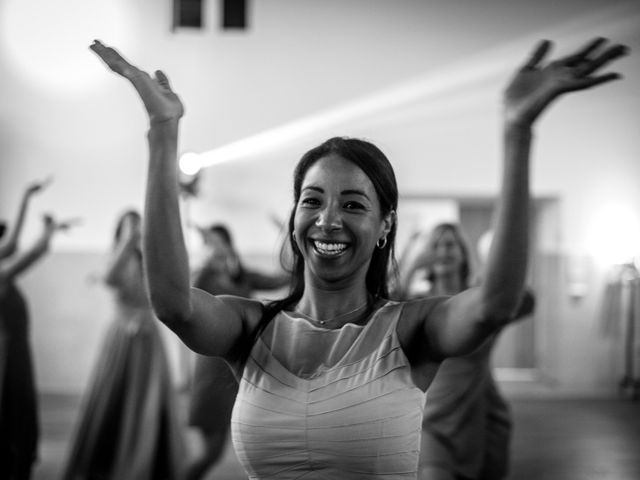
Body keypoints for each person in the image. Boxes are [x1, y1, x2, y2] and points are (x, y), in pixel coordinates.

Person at [90, 36, 628, 479]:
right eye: (313, 200)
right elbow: (173, 304)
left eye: (353, 204)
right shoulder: (248, 327)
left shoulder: (410, 329)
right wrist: (164, 135)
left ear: (384, 225)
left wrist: (517, 133)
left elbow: (494, 304)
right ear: (296, 215)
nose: (328, 220)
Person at [396, 223, 534, 480]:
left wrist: (495, 281)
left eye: (450, 245)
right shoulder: (417, 304)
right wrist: (414, 265)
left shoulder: (480, 304)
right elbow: (386, 310)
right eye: (435, 245)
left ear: (462, 253)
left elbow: (527, 301)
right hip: (432, 419)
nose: (443, 251)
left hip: (480, 416)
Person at [60, 210, 186, 480]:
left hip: (149, 339)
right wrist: (129, 240)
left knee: (149, 403)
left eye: (139, 226)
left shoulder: (147, 258)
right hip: (122, 341)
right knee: (114, 401)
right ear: (121, 231)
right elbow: (109, 279)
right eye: (131, 227)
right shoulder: (115, 258)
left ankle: (148, 463)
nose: (137, 231)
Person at [187, 223, 288, 480]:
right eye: (211, 244)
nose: (217, 250)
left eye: (221, 244)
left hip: (244, 370)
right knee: (211, 451)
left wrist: (288, 238)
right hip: (213, 369)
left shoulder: (242, 276)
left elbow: (282, 277)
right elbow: (181, 302)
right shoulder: (203, 277)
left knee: (257, 448)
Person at [0, 178, 71, 480]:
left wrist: (26, 198)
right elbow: (31, 253)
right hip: (6, 353)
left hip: (14, 347)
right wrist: (49, 231)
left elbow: (15, 244)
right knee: (12, 408)